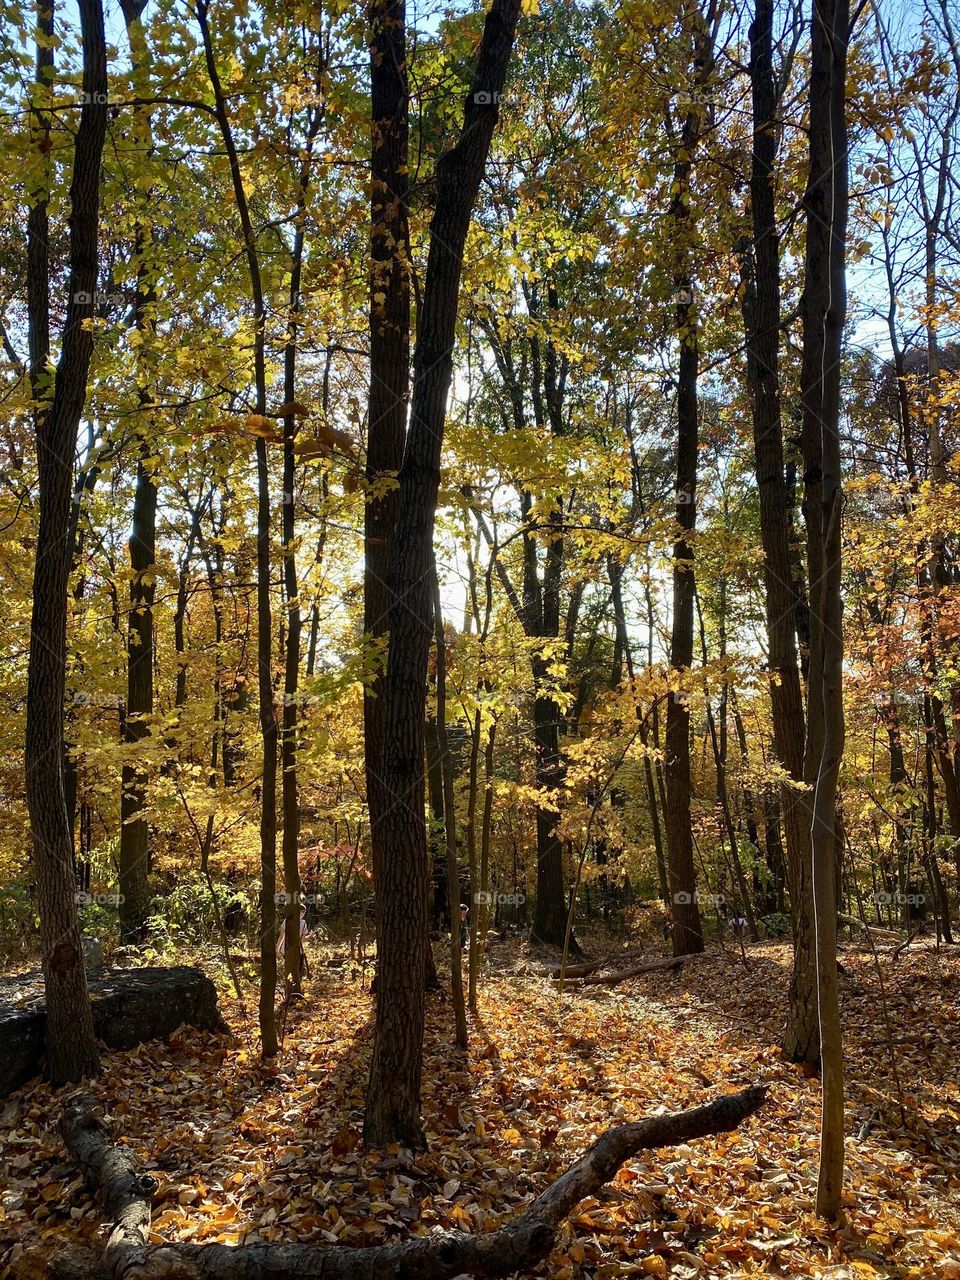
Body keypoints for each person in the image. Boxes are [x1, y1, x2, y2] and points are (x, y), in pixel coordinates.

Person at [277, 902, 311, 979]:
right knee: (296, 971)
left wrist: (277, 949)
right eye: (302, 912)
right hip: (296, 950)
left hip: (288, 949)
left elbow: (282, 936)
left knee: (290, 969)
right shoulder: (302, 923)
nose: (303, 914)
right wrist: (311, 935)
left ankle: (290, 986)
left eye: (304, 912)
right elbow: (303, 940)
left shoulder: (287, 921)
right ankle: (294, 986)